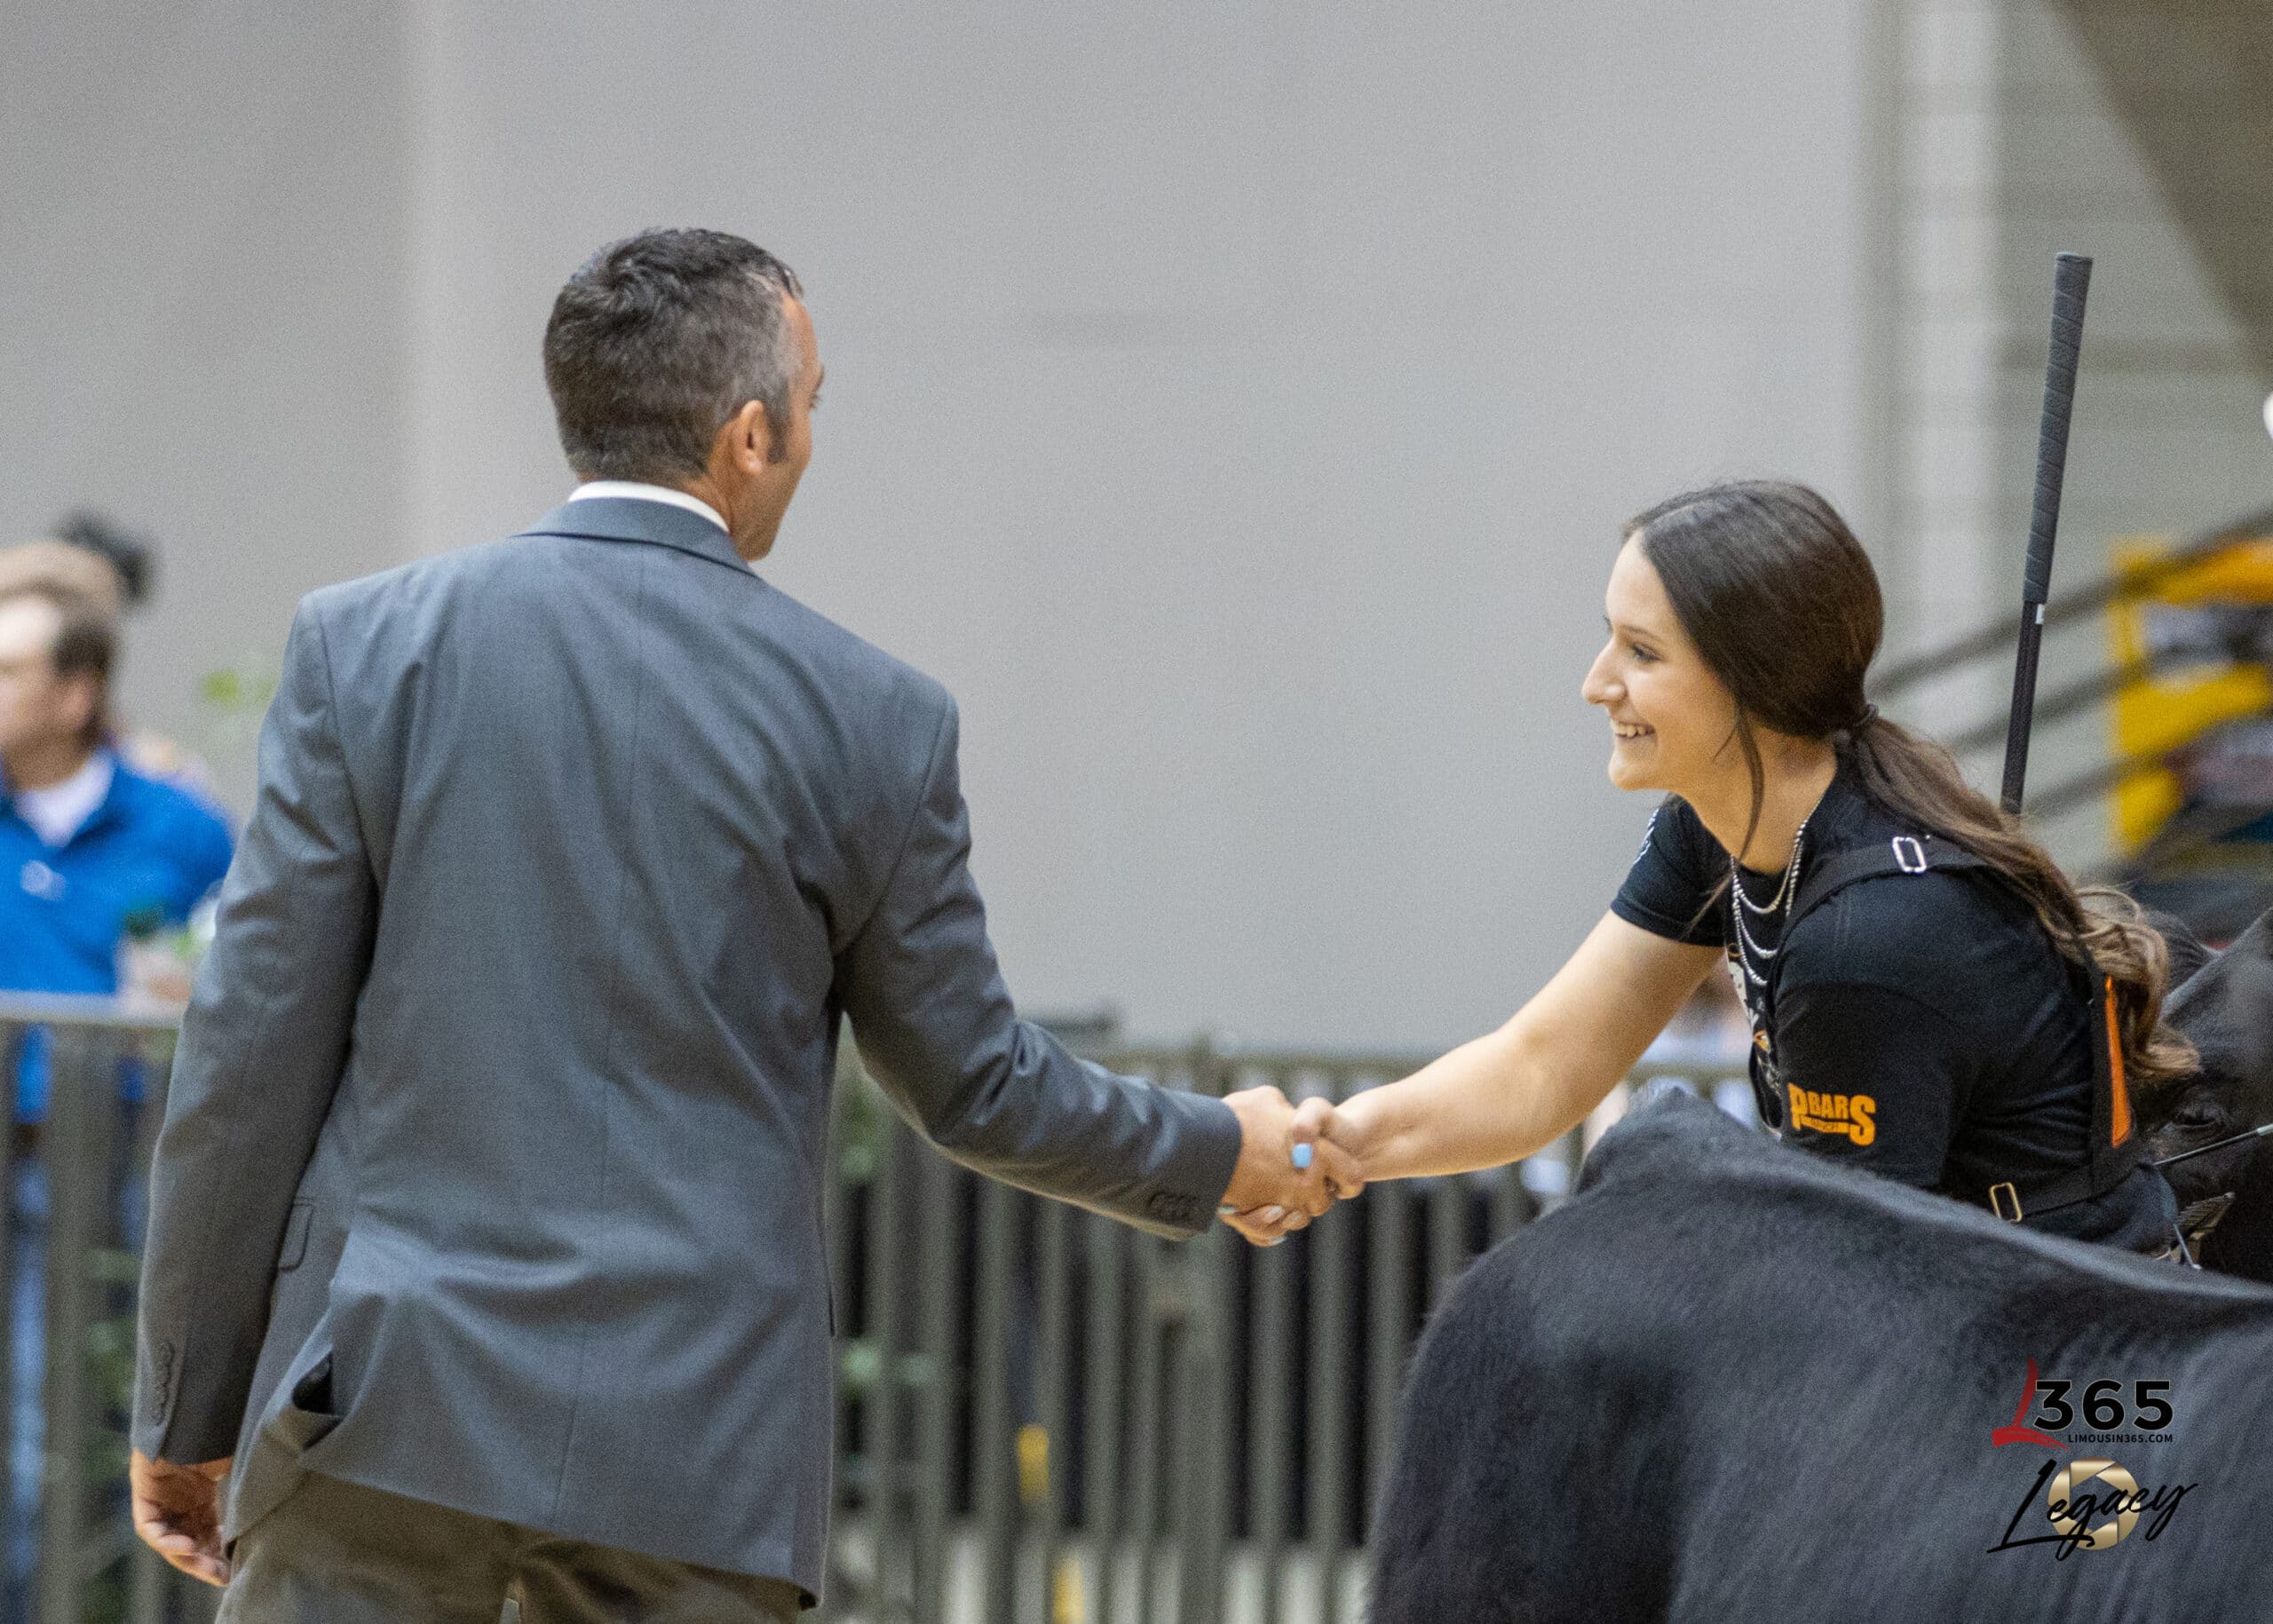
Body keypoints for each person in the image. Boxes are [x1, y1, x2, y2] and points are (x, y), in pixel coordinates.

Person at [127, 228, 1352, 1621]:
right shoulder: (877, 718)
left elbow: (245, 1065)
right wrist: (1224, 1149)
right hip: (701, 1451)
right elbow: (978, 1086)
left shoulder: (369, 647)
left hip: (382, 1404)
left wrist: (185, 1401)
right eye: (816, 406)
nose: (815, 438)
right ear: (750, 434)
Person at [1234, 480, 2184, 1256]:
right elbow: (1543, 1065)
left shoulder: (1870, 938)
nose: (1596, 680)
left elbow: (1847, 1279)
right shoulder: (1717, 829)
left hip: (2087, 1376)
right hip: (1964, 1335)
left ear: (1754, 679)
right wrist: (1340, 1143)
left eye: (1640, 651)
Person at [0, 580, 233, 1588]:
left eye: (10, 668)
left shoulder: (181, 824)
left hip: (116, 1155)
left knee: (73, 1412)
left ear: (77, 692)